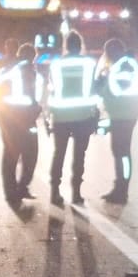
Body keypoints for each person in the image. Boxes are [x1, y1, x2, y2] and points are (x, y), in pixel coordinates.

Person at [43, 30, 101, 205]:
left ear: (66, 46)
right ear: (80, 45)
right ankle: (76, 193)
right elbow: (94, 88)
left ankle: (54, 192)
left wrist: (48, 115)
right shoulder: (90, 64)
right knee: (79, 156)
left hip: (60, 116)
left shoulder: (56, 65)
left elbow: (51, 89)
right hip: (83, 116)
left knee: (58, 154)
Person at [0, 40, 42, 201]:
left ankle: (13, 190)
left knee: (12, 154)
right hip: (23, 118)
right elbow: (31, 97)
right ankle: (19, 188)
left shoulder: (5, 69)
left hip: (10, 118)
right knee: (29, 154)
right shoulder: (26, 69)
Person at [98, 39, 138, 203]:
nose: (107, 56)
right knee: (119, 152)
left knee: (122, 153)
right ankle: (119, 188)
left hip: (125, 115)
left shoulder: (125, 65)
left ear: (114, 50)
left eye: (108, 52)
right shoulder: (121, 64)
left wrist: (103, 87)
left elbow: (120, 88)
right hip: (121, 115)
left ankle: (122, 191)